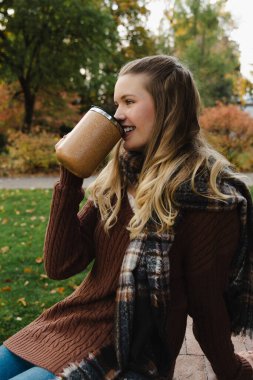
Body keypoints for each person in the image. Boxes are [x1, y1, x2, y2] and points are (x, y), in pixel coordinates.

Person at [1, 55, 253, 380]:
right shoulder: (120, 175)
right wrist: (70, 177)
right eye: (117, 102)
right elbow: (60, 265)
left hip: (129, 351)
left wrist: (233, 370)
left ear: (168, 109)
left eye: (129, 102)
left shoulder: (208, 199)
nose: (117, 115)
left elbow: (208, 308)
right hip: (69, 325)